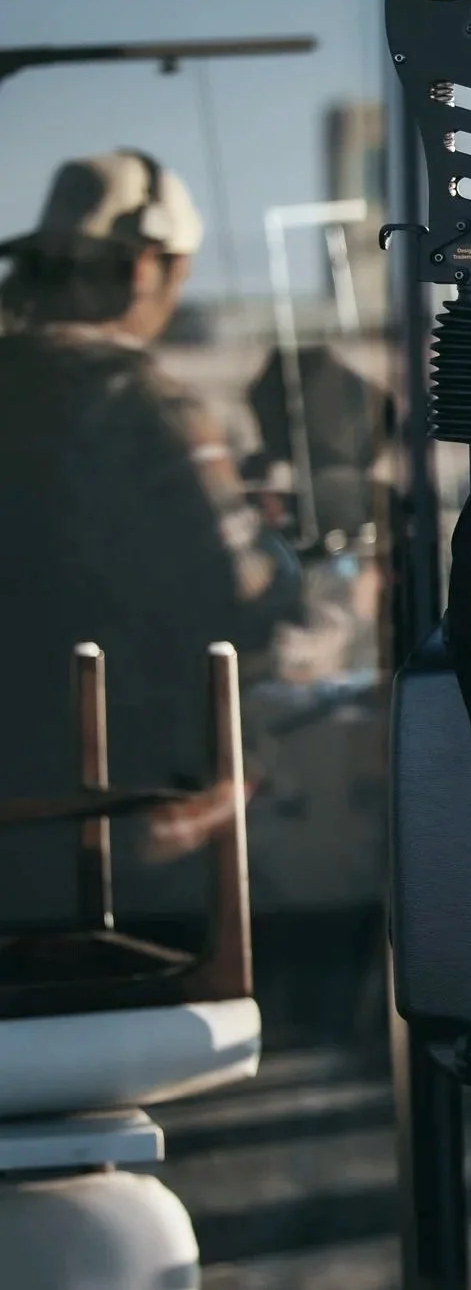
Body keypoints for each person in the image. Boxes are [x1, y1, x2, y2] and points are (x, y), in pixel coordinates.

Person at [0, 150, 297, 882]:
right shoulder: (146, 406)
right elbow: (246, 605)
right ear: (142, 267)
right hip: (122, 827)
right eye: (180, 272)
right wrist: (316, 582)